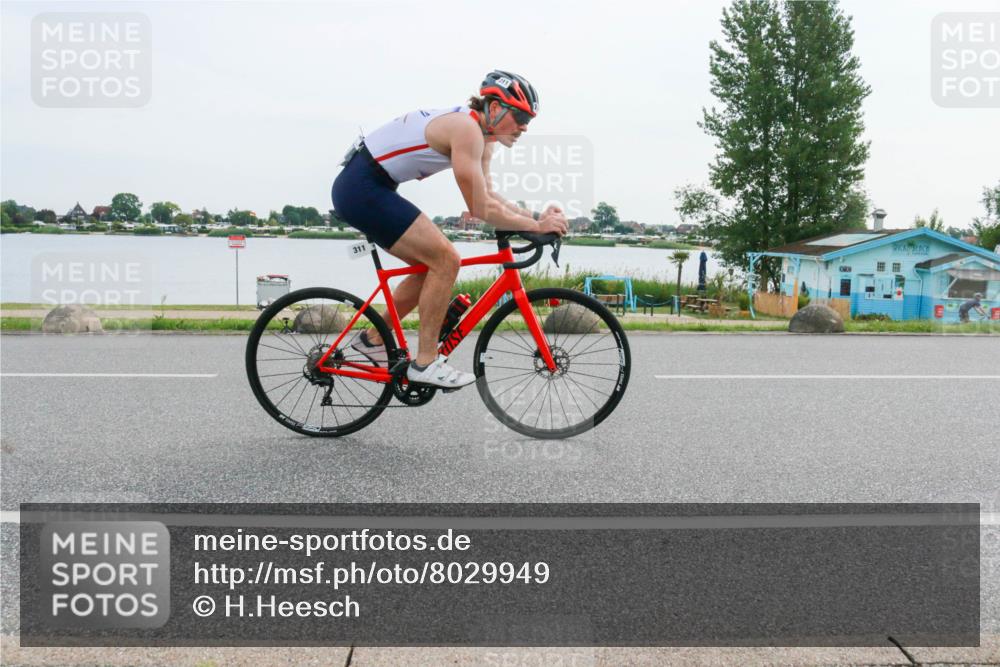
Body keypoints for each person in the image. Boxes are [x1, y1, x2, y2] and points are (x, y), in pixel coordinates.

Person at [331, 70, 568, 389]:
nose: (525, 127)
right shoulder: (466, 130)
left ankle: (372, 339)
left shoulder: (483, 138)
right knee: (446, 260)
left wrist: (535, 217)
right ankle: (425, 362)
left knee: (429, 266)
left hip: (373, 186)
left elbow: (490, 196)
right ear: (495, 108)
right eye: (520, 116)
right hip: (362, 187)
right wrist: (537, 225)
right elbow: (480, 209)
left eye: (530, 119)